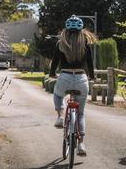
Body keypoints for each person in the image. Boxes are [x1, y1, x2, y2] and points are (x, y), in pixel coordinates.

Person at [49, 15, 96, 156]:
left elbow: (55, 61)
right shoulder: (85, 44)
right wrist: (92, 77)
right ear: (81, 31)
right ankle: (81, 144)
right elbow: (90, 63)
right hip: (81, 78)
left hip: (64, 77)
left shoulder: (60, 44)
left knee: (57, 95)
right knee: (80, 114)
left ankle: (60, 116)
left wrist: (52, 74)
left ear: (66, 31)